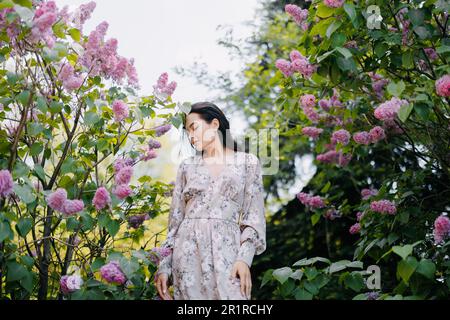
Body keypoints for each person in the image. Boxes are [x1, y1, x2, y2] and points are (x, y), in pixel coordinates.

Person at [154, 101, 266, 300]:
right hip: (187, 255)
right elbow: (175, 223)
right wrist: (164, 267)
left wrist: (244, 259)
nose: (190, 136)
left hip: (228, 254)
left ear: (215, 124)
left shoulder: (247, 163)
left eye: (193, 127)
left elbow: (253, 218)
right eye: (187, 132)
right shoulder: (187, 167)